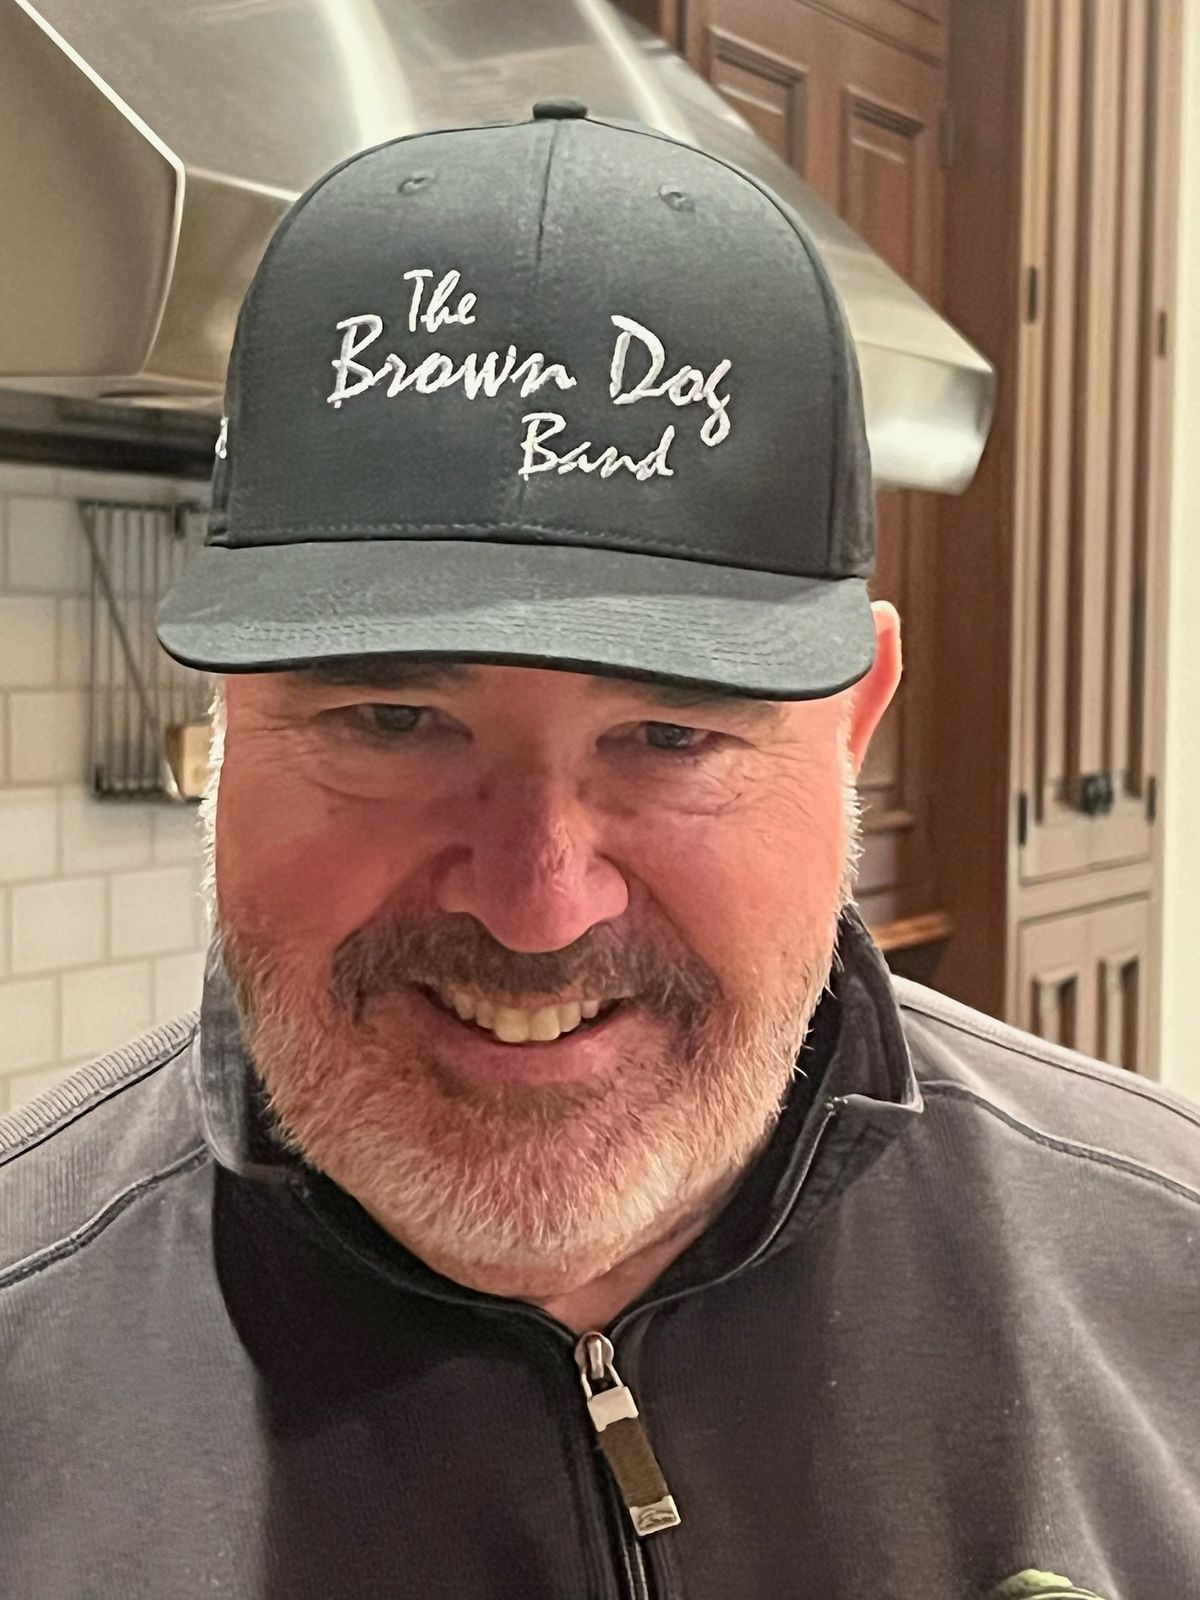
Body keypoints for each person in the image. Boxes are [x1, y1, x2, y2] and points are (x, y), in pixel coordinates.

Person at [2, 103, 1197, 1600]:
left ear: (854, 725)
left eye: (672, 736)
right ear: (229, 721)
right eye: (392, 718)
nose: (536, 904)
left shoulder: (1171, 1285)